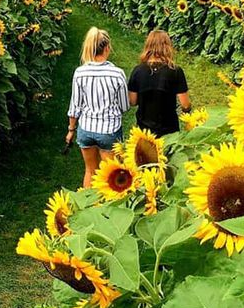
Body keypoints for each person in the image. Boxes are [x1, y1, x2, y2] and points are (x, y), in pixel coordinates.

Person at [65, 27, 129, 188]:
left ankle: (87, 202)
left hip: (85, 129)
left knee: (90, 171)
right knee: (112, 175)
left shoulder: (80, 72)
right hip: (109, 130)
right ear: (107, 48)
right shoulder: (117, 74)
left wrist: (71, 129)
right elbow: (124, 106)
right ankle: (108, 203)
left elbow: (75, 106)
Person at [127, 29, 192, 137]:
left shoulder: (138, 71)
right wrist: (187, 111)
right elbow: (185, 104)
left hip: (144, 131)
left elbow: (132, 101)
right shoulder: (175, 71)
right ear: (167, 47)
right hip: (169, 131)